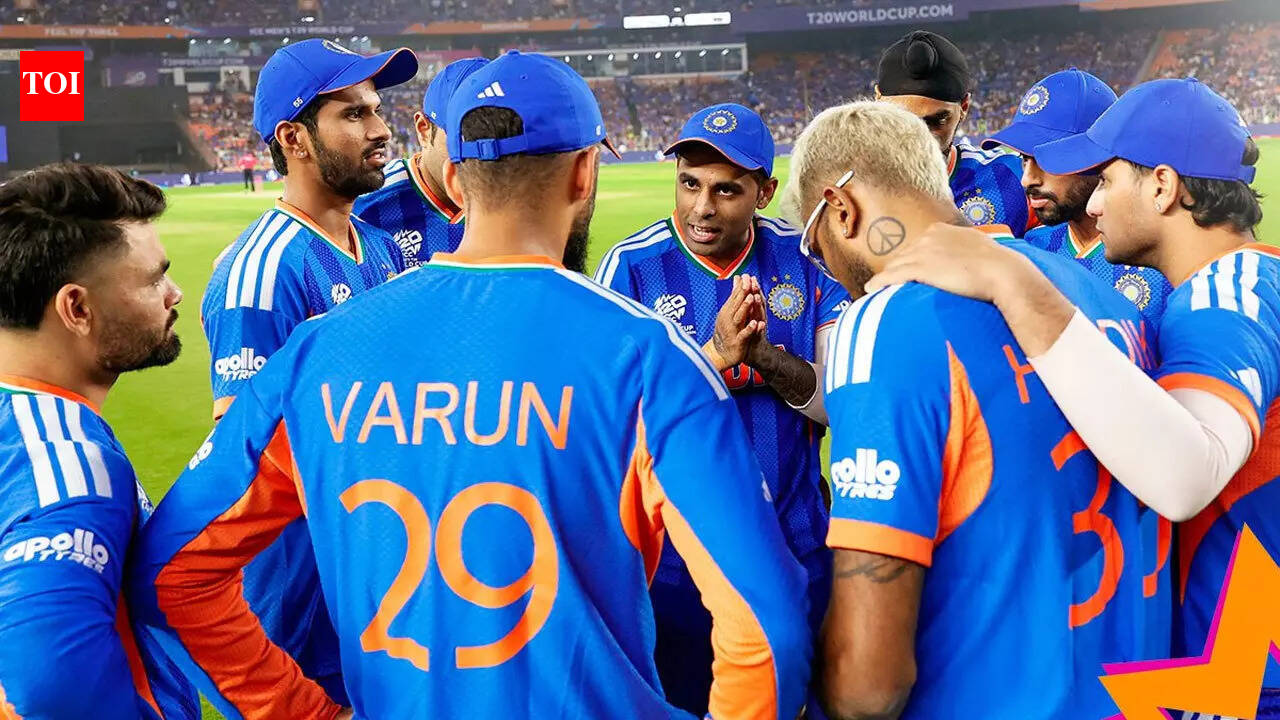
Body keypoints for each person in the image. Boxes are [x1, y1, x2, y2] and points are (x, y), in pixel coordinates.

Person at [130, 50, 811, 720]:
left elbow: (172, 570)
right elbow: (767, 627)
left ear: (455, 178)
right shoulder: (651, 359)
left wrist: (298, 712)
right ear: (583, 173)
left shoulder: (318, 352)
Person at [867, 77, 1278, 716]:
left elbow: (1184, 476)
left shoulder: (1231, 291)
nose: (1096, 204)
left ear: (1163, 186)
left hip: (1251, 675)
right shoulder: (1222, 289)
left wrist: (1013, 281)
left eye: (1107, 180)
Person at [781, 100, 1166, 718]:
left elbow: (867, 687)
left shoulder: (884, 323)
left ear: (842, 210)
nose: (822, 265)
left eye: (813, 243)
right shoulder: (1096, 296)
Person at [594, 102, 839, 716]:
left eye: (726, 190)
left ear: (765, 192)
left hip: (800, 544)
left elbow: (839, 406)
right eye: (690, 184)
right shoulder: (631, 268)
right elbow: (613, 428)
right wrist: (717, 359)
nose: (702, 206)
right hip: (678, 567)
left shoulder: (807, 258)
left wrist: (766, 360)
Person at [197, 38, 418, 706]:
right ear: (293, 138)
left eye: (375, 109)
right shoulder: (261, 272)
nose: (380, 130)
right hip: (303, 604)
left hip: (384, 584)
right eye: (353, 114)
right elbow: (245, 458)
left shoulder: (381, 249)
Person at [0, 163, 196, 719]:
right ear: (77, 309)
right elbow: (46, 684)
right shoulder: (70, 470)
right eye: (154, 279)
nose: (175, 294)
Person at [988, 67, 1172, 326]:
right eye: (1024, 159)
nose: (1027, 179)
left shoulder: (1159, 260)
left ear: (1097, 156)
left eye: (1046, 159)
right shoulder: (1033, 246)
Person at [875, 30, 1033, 236]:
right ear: (877, 100)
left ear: (964, 107)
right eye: (902, 120)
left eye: (937, 121)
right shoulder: (842, 185)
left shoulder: (1016, 179)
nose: (920, 138)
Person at [353, 57, 487, 268]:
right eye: (463, 138)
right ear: (424, 130)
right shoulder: (365, 207)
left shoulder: (522, 202)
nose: (481, 154)